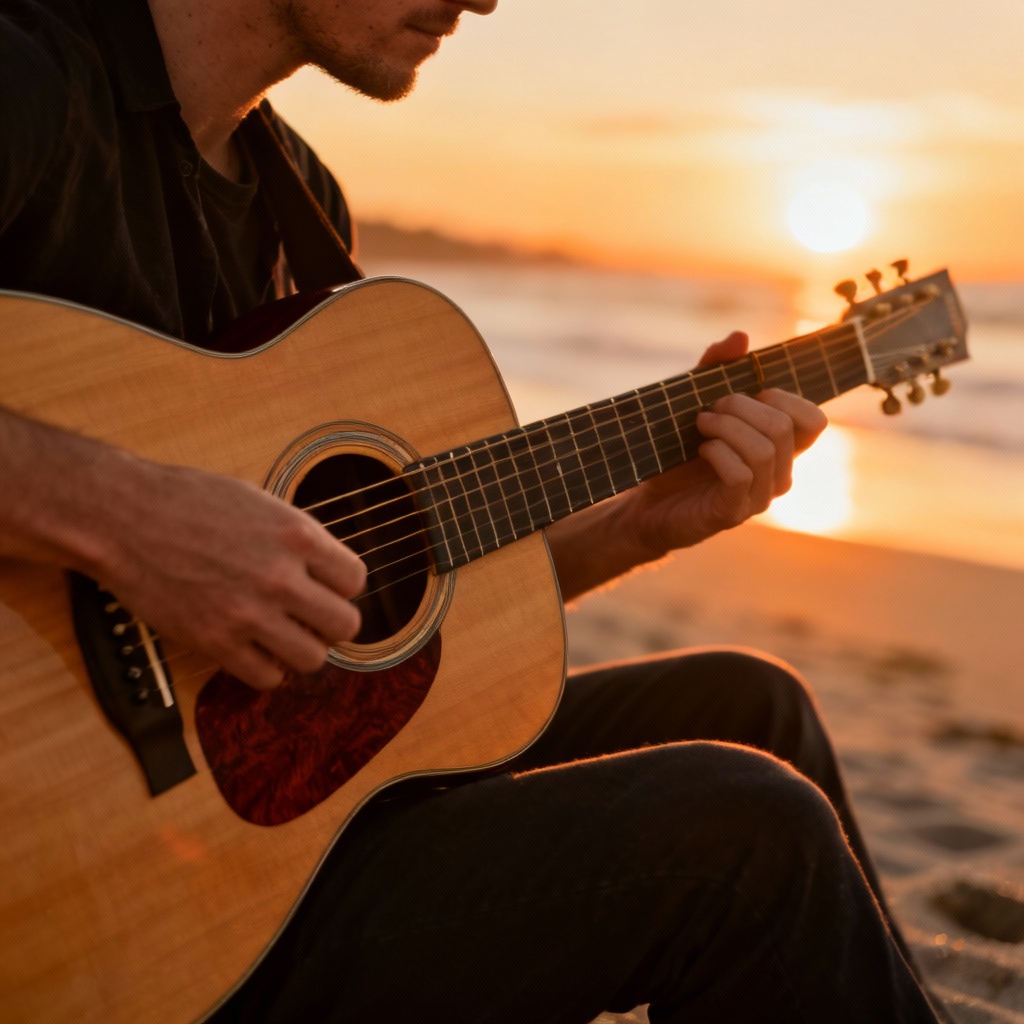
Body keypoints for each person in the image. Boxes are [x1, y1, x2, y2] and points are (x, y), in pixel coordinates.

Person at [0, 0, 945, 1021]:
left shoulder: (299, 208)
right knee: (749, 835)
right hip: (91, 910)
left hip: (257, 835)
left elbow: (376, 618)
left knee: (750, 705)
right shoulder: (30, 80)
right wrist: (126, 516)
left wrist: (635, 525)